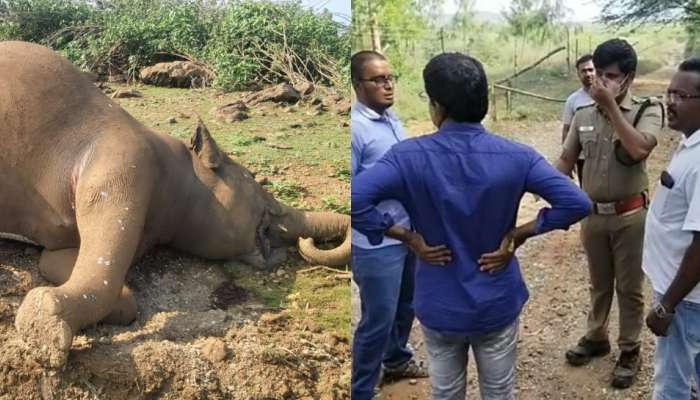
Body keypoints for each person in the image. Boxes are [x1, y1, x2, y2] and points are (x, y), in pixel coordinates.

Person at [352, 52, 591, 400]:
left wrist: (405, 236)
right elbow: (577, 202)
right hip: (496, 299)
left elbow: (355, 198)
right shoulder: (517, 156)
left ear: (437, 106)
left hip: (439, 301)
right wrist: (520, 234)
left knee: (446, 392)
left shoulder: (408, 156)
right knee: (498, 392)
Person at [556, 39, 664, 389]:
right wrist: (544, 190)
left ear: (628, 78)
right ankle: (596, 336)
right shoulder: (583, 114)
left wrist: (612, 109)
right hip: (593, 215)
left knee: (629, 286)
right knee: (599, 282)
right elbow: (565, 161)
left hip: (630, 215)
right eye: (597, 74)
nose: (600, 82)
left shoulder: (647, 109)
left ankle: (630, 348)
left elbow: (638, 148)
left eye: (611, 75)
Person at [349, 50, 426, 400]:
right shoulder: (356, 130)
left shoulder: (393, 119)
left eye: (389, 78)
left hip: (406, 236)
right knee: (376, 321)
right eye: (377, 79)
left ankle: (396, 360)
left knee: (405, 307)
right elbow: (350, 197)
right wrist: (393, 230)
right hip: (377, 243)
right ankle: (362, 389)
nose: (387, 85)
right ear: (357, 84)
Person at [643, 58, 700, 399]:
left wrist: (667, 305)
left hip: (684, 299)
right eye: (669, 92)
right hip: (683, 296)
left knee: (671, 383)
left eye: (681, 95)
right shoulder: (689, 144)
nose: (670, 101)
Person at [562, 54, 596, 186]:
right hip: (582, 157)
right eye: (584, 71)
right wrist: (568, 160)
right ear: (578, 74)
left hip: (605, 155)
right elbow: (566, 130)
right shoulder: (573, 100)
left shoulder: (608, 97)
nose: (588, 74)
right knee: (586, 193)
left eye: (591, 70)